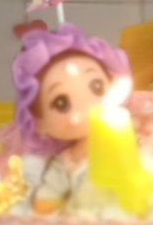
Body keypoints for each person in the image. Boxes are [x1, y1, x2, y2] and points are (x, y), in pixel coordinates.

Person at [12, 23, 130, 212]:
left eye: (97, 87)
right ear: (38, 123)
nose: (89, 107)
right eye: (61, 103)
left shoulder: (127, 135)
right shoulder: (63, 164)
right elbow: (47, 198)